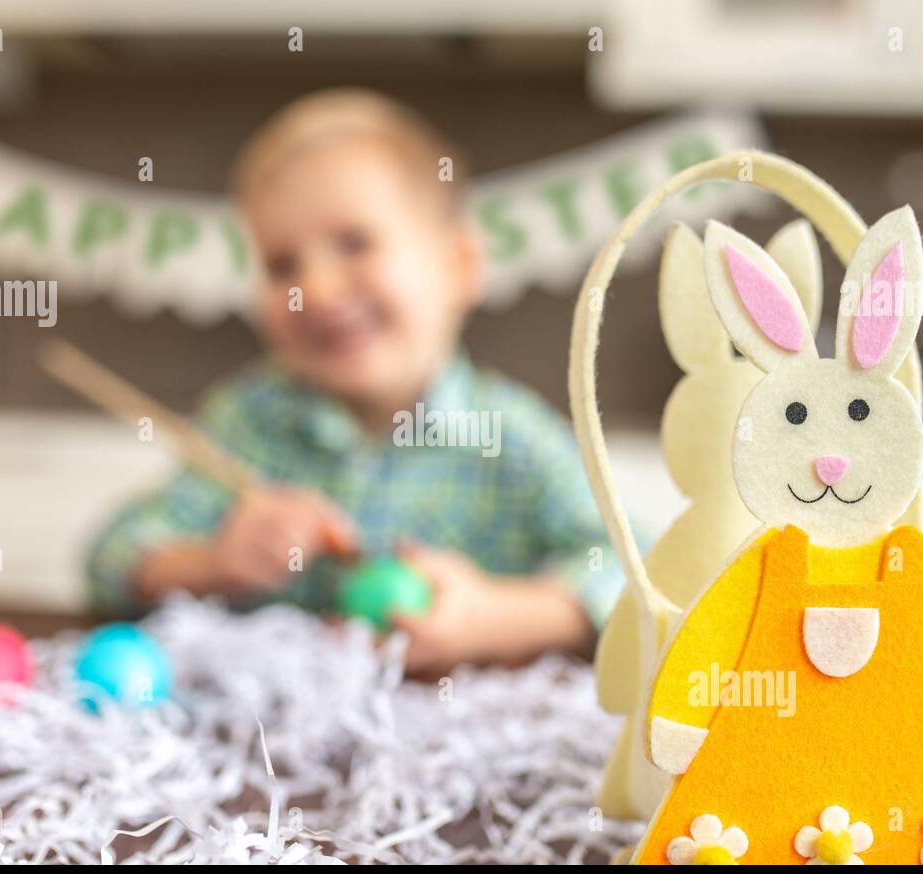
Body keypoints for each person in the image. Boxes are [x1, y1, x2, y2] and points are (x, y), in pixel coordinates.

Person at [87, 89, 622, 675]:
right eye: (281, 265)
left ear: (458, 266)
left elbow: (637, 566)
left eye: (354, 244)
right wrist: (211, 560)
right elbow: (110, 555)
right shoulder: (247, 423)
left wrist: (499, 616)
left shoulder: (514, 437)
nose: (315, 289)